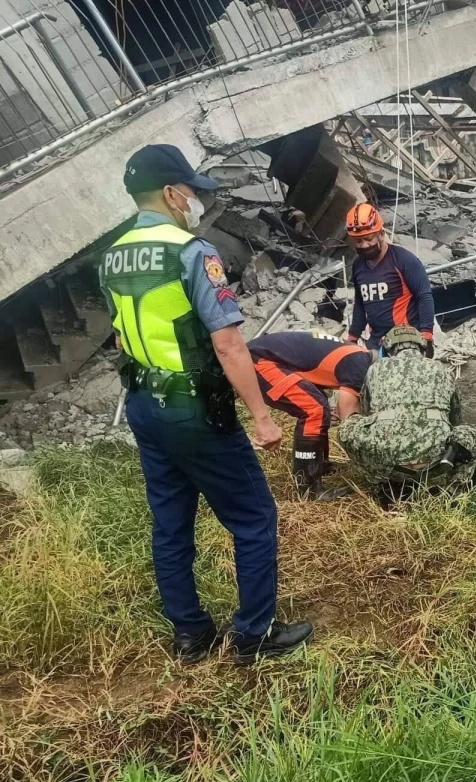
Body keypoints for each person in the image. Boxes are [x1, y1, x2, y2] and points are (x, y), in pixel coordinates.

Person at [102, 144, 312, 664]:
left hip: (144, 405)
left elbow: (122, 338)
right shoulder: (191, 252)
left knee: (171, 522)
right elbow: (229, 344)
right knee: (255, 516)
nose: (195, 201)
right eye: (192, 191)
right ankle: (254, 634)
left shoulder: (113, 255)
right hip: (192, 407)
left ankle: (191, 635)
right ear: (173, 193)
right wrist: (262, 417)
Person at [338, 326, 476, 495]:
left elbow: (366, 412)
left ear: (388, 348)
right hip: (436, 462)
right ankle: (455, 488)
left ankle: (375, 479)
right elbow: (456, 417)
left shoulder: (375, 369)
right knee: (472, 435)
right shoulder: (441, 369)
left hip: (387, 463)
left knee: (347, 427)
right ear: (422, 347)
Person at [247, 329, 372, 500]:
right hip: (259, 360)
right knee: (315, 410)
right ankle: (308, 489)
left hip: (268, 356)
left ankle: (320, 464)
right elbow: (347, 416)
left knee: (319, 403)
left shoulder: (359, 355)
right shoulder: (361, 366)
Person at [345, 203, 434, 354]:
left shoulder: (404, 260)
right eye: (358, 241)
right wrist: (353, 336)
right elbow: (360, 304)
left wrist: (427, 336)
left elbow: (424, 295)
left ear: (381, 234)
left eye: (368, 238)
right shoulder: (358, 266)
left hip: (406, 341)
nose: (364, 245)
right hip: (375, 342)